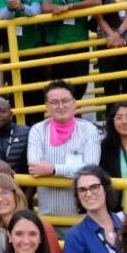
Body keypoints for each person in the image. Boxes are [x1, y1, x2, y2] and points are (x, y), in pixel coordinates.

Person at [26, 81, 101, 217]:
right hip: (48, 217)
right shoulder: (37, 130)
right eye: (55, 102)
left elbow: (90, 169)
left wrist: (54, 169)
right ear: (47, 106)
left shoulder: (89, 130)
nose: (61, 106)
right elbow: (35, 167)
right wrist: (73, 170)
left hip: (83, 217)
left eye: (65, 101)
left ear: (74, 103)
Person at [37, 0, 97, 94]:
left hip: (80, 43)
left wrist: (70, 6)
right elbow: (46, 7)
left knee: (80, 87)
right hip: (56, 45)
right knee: (60, 88)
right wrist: (57, 8)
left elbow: (95, 0)